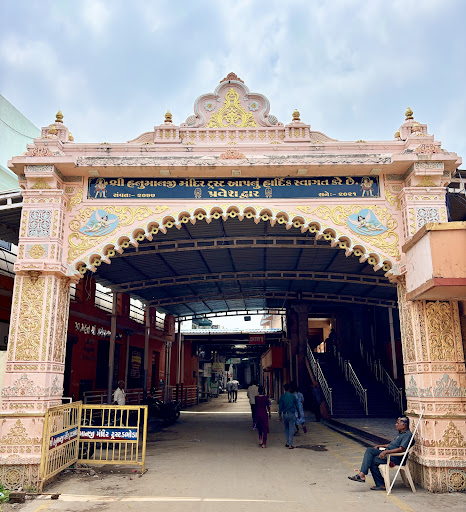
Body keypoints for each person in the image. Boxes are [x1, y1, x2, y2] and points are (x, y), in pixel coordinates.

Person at [348, 416, 414, 491]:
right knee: (370, 450)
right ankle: (362, 474)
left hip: (395, 458)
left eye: (397, 423)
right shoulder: (400, 433)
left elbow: (401, 449)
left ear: (403, 425)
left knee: (372, 461)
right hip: (388, 453)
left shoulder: (407, 435)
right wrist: (380, 446)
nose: (395, 424)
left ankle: (378, 483)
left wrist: (386, 452)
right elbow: (392, 445)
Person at [278, 383, 300, 449]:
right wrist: (299, 413)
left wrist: (280, 415)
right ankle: (290, 444)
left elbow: (280, 407)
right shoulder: (293, 396)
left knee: (286, 428)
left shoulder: (282, 396)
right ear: (290, 389)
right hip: (291, 414)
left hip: (285, 414)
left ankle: (287, 442)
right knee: (291, 428)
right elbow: (297, 406)